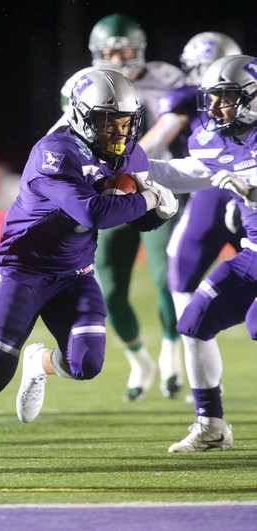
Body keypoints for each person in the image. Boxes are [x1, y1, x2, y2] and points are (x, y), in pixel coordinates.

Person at [0, 69, 178, 461]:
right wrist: (149, 200)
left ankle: (39, 362)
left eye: (126, 123)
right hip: (24, 271)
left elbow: (135, 220)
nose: (119, 134)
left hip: (74, 273)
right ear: (80, 117)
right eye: (108, 124)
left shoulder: (130, 153)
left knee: (87, 363)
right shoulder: (54, 152)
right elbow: (92, 211)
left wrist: (159, 212)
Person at [51, 13, 186, 402]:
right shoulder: (82, 84)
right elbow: (63, 133)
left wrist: (137, 163)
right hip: (109, 190)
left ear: (139, 49)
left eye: (123, 48)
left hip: (155, 182)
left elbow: (171, 128)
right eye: (109, 50)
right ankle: (139, 360)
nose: (116, 55)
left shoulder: (166, 79)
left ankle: (172, 357)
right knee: (109, 287)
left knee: (166, 278)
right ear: (96, 52)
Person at [140, 54, 257, 452]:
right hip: (253, 253)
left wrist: (250, 188)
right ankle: (211, 425)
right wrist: (129, 166)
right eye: (212, 97)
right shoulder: (216, 138)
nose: (214, 107)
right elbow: (186, 173)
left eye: (225, 97)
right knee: (193, 323)